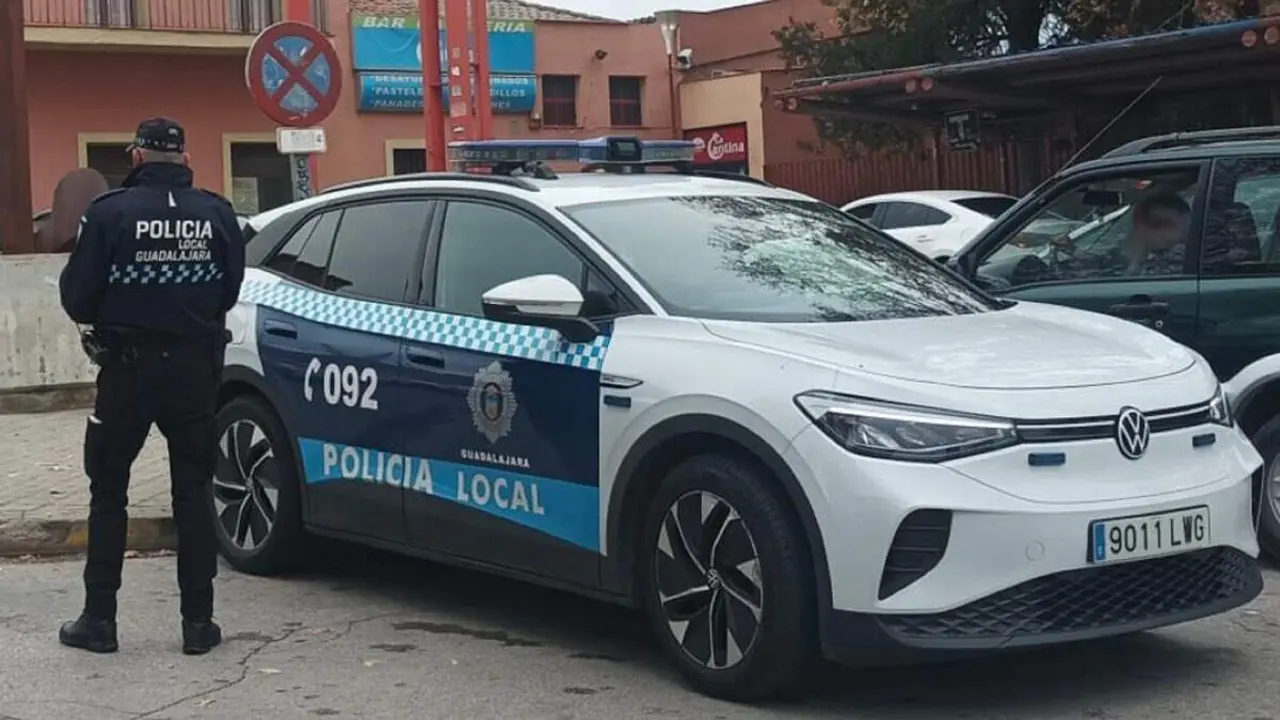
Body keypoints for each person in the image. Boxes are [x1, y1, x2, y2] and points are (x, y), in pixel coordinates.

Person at [56, 117, 245, 656]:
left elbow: (77, 298)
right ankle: (198, 625)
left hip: (127, 371)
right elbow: (230, 290)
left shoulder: (108, 213)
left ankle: (99, 620)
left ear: (137, 157)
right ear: (186, 160)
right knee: (193, 492)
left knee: (108, 491)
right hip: (194, 372)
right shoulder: (217, 213)